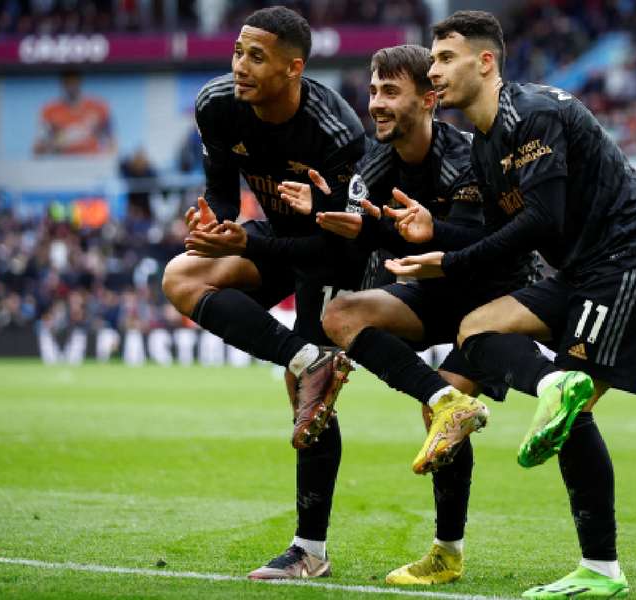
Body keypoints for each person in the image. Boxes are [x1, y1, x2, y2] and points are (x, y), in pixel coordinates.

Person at [386, 11, 636, 599]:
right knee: (477, 328)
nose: (434, 70)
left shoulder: (535, 113)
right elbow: (500, 239)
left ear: (486, 61)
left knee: (572, 409)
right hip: (584, 267)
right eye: (432, 60)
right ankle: (553, 385)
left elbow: (541, 221)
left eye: (446, 58)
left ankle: (600, 569)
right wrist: (438, 233)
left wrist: (449, 263)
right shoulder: (484, 145)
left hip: (633, 258)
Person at [302, 44, 530, 585]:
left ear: (429, 100)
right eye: (374, 90)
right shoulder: (374, 164)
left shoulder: (468, 157)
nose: (376, 103)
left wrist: (419, 235)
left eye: (390, 92)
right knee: (342, 317)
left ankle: (447, 552)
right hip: (428, 290)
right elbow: (366, 245)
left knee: (443, 427)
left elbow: (485, 245)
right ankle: (446, 400)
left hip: (491, 295)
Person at [160, 6, 367, 580]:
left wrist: (251, 246)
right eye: (237, 52)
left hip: (330, 256)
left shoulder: (337, 132)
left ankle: (310, 551)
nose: (240, 67)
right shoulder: (216, 106)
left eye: (256, 57)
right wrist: (216, 222)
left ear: (294, 67)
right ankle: (311, 361)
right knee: (181, 275)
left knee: (307, 401)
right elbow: (223, 192)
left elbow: (342, 245)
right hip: (273, 241)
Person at [33, 70, 114, 156]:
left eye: (74, 82)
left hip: (92, 160)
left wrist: (107, 159)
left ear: (80, 83)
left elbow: (111, 140)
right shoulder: (49, 111)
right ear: (62, 85)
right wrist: (59, 142)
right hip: (62, 162)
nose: (71, 87)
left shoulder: (98, 107)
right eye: (68, 83)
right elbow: (38, 147)